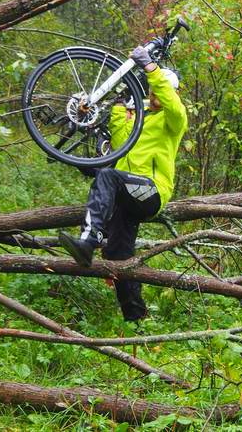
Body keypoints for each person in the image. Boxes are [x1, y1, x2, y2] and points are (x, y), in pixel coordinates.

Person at [59, 44, 188, 321]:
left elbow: (174, 106)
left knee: (108, 176)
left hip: (152, 192)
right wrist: (119, 104)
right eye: (153, 90)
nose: (156, 95)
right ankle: (136, 319)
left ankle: (89, 239)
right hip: (126, 197)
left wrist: (151, 68)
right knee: (118, 256)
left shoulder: (173, 120)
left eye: (162, 90)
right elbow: (119, 148)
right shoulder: (137, 119)